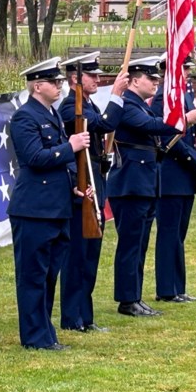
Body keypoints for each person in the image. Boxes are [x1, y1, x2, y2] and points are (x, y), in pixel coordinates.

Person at [106, 55, 196, 318]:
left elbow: (156, 128)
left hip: (144, 184)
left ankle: (134, 297)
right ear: (135, 81)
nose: (156, 83)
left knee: (139, 244)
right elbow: (150, 126)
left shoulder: (141, 105)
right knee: (130, 244)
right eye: (151, 78)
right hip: (130, 185)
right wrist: (184, 119)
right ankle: (127, 299)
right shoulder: (127, 105)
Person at [8, 57, 90, 350]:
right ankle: (34, 336)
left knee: (49, 275)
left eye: (59, 82)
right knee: (33, 276)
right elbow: (35, 158)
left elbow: (58, 166)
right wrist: (71, 146)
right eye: (54, 82)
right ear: (37, 85)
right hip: (34, 209)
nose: (60, 86)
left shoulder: (51, 114)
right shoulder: (25, 117)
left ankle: (45, 332)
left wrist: (74, 189)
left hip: (56, 206)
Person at [57, 52, 128, 333]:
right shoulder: (69, 108)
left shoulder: (87, 104)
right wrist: (118, 94)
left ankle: (85, 316)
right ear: (76, 78)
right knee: (78, 252)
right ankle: (73, 317)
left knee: (91, 251)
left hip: (96, 178)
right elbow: (105, 124)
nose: (99, 79)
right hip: (81, 182)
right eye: (92, 75)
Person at [151, 58, 196, 303]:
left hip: (183, 177)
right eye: (184, 68)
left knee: (178, 234)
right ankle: (166, 290)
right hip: (170, 175)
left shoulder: (184, 96)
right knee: (169, 233)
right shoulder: (163, 98)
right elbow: (169, 140)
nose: (188, 72)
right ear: (170, 70)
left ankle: (177, 288)